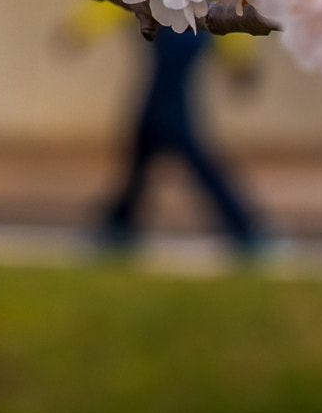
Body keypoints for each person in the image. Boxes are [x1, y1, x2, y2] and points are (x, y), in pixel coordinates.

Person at [98, 25, 265, 255]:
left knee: (172, 142)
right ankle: (120, 221)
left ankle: (244, 226)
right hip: (165, 60)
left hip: (179, 69)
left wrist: (240, 58)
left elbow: (228, 4)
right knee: (146, 143)